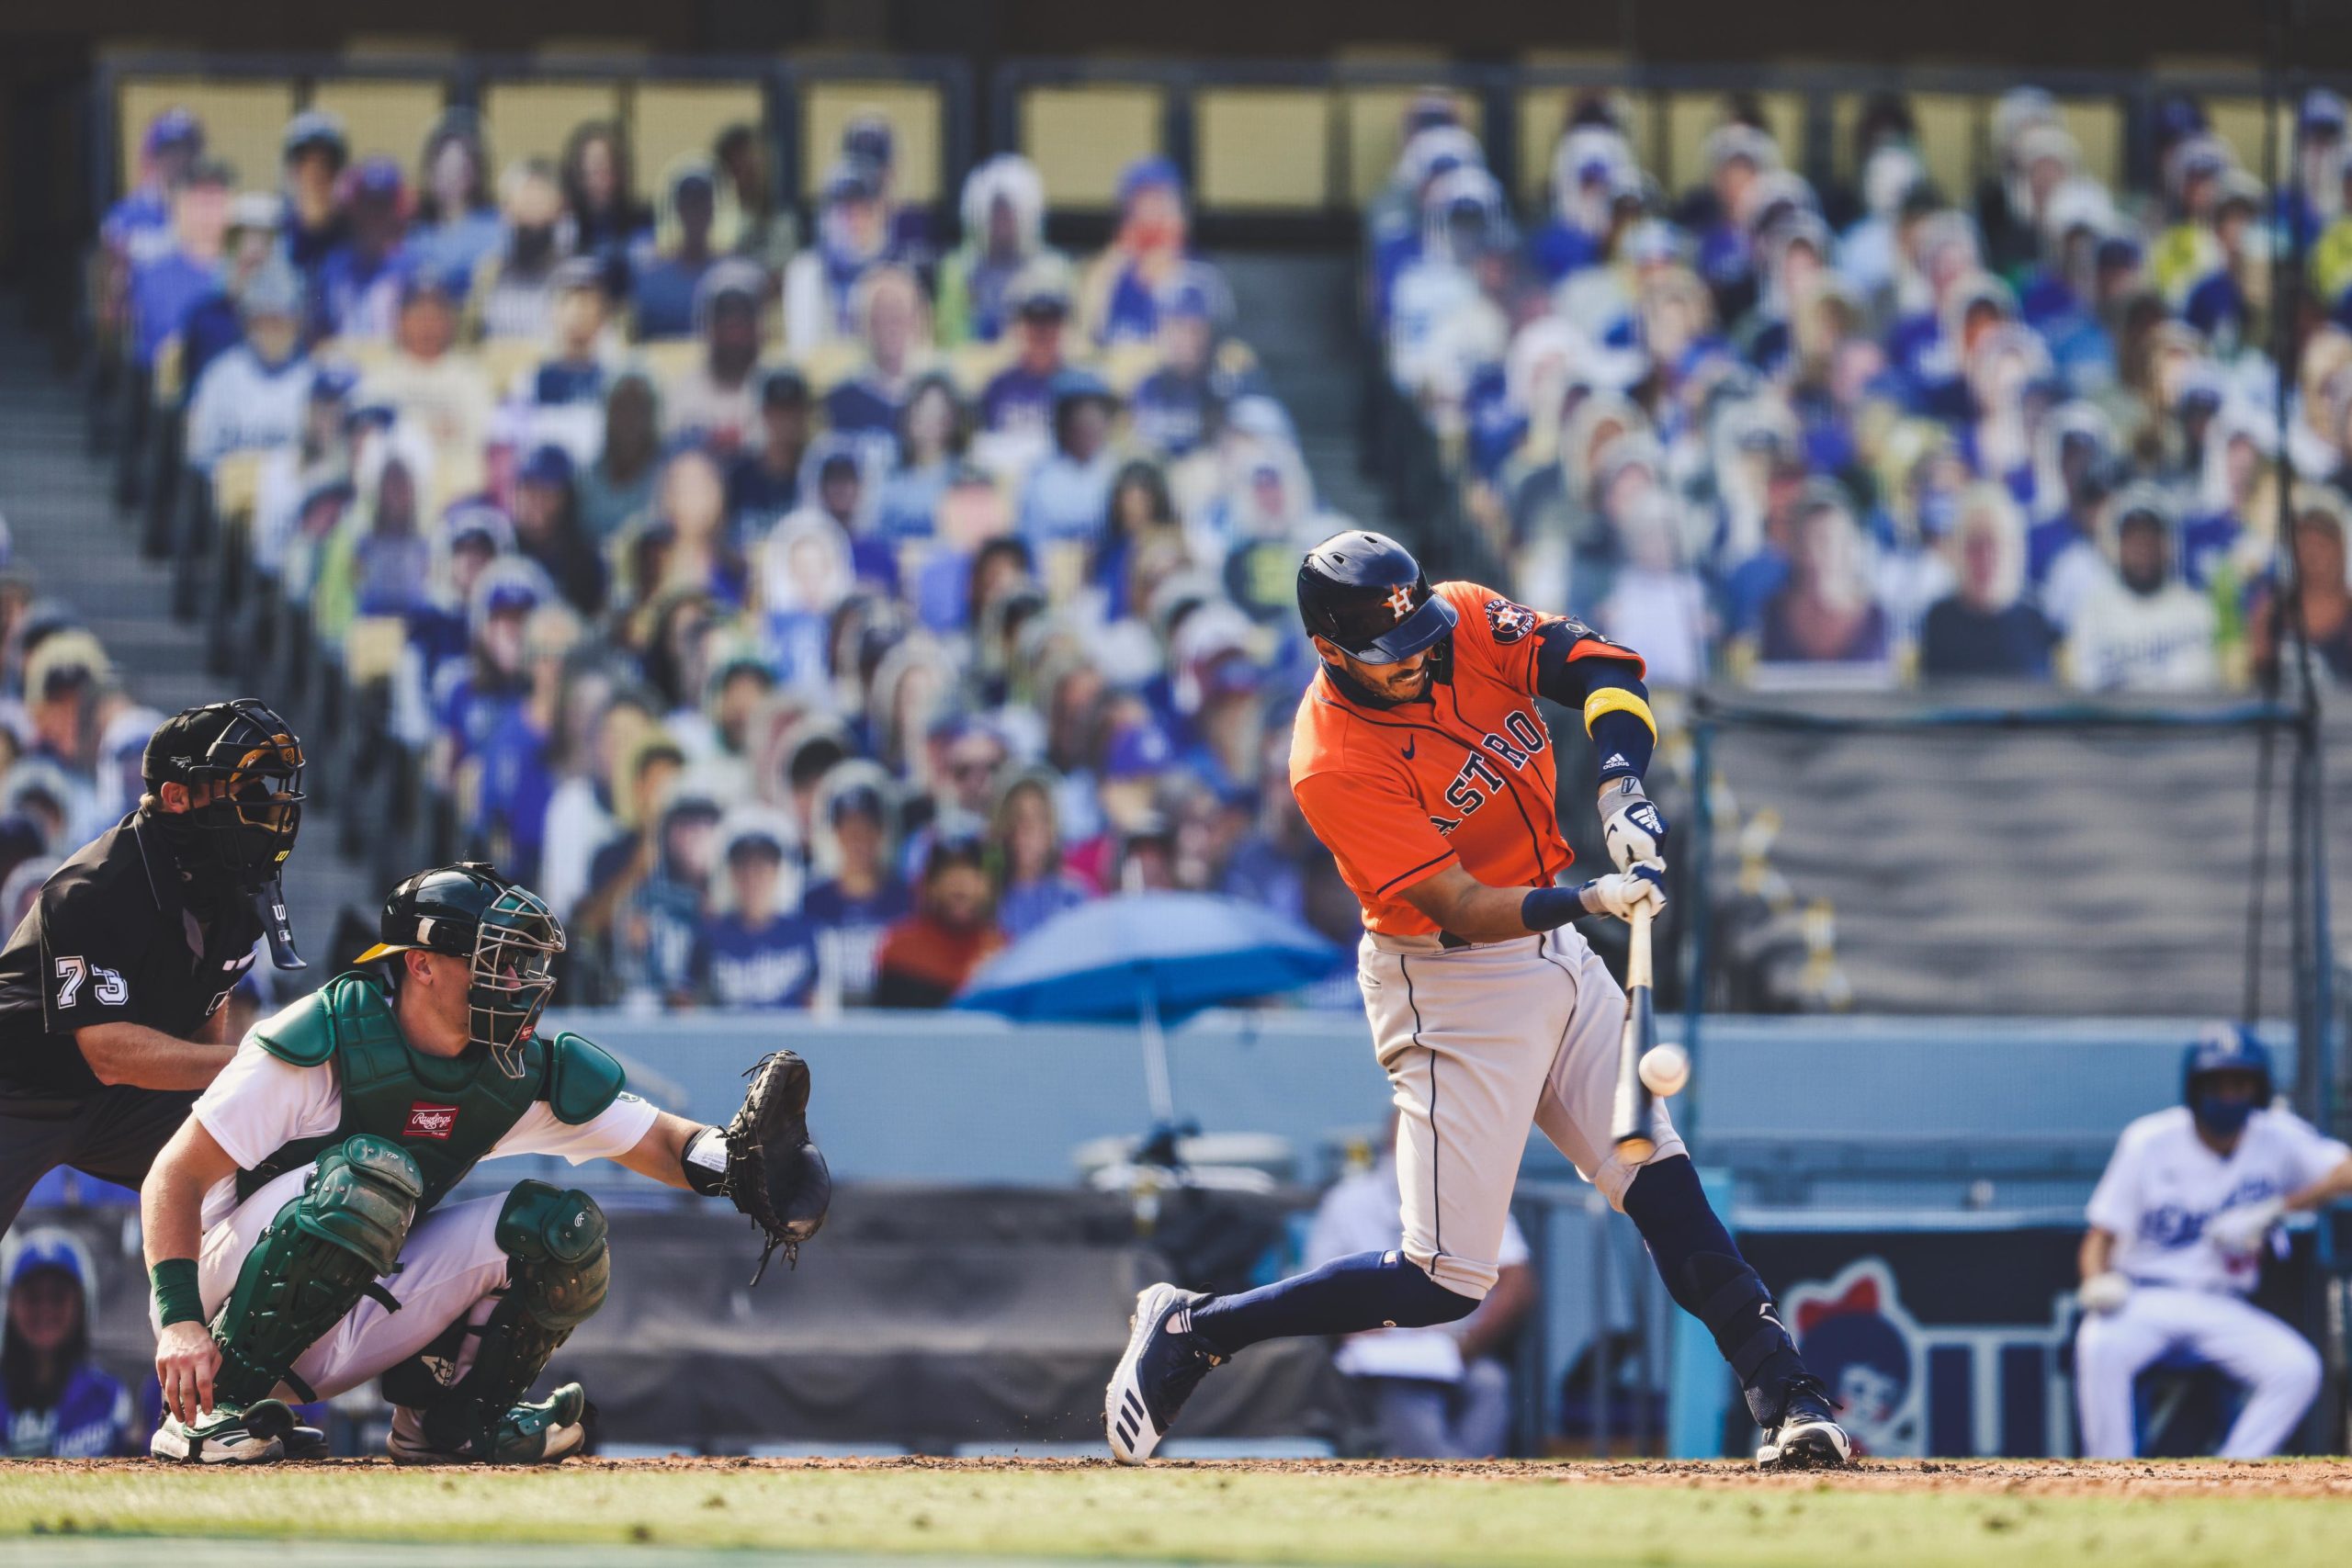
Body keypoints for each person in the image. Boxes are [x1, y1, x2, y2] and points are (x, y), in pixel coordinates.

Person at [1103, 531, 1850, 1471]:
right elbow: (1456, 901)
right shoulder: (1329, 758)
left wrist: (1620, 780)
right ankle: (1198, 1327)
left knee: (1657, 1177)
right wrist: (1586, 898)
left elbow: (1598, 667)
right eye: (1386, 650)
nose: (1415, 654)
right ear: (1329, 651)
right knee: (1444, 1279)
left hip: (1555, 947)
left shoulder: (1457, 616)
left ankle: (1789, 1398)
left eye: (1416, 630)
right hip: (1448, 980)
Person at [138, 862, 830, 1461]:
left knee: (563, 1231)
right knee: (369, 1183)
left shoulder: (509, 1070)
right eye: (499, 959)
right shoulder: (323, 1038)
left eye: (527, 961)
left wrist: (737, 1164)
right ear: (421, 963)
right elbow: (173, 1173)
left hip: (346, 1302)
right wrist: (177, 1323)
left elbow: (658, 1140)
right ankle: (202, 1418)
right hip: (216, 1302)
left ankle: (451, 1427)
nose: (521, 979)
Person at [0, 701, 308, 1237]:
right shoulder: (90, 888)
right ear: (177, 796)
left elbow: (200, 1030)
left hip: (120, 1104)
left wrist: (241, 1095)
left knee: (263, 1158)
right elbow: (109, 1052)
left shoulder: (235, 892)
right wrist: (253, 1063)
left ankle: (230, 1313)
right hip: (17, 1091)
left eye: (274, 788)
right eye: (250, 789)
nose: (271, 805)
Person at [2075, 1026, 2352, 1459]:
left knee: (2296, 1368)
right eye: (2217, 1084)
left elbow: (2346, 1171)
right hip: (2145, 1297)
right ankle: (2110, 1476)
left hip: (2222, 1303)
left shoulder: (2277, 1136)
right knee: (2098, 1343)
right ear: (2195, 1087)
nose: (2228, 1095)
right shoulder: (2149, 1140)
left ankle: (2231, 1476)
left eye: (2239, 1084)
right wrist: (2095, 1282)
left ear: (2258, 1090)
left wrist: (2279, 1207)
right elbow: (2099, 1237)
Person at [1306, 1117, 1533, 1458]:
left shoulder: (1475, 1198)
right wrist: (1357, 1328)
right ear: (1389, 1142)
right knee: (1407, 1391)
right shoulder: (1348, 1202)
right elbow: (1316, 1289)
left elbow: (1518, 1281)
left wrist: (1469, 1343)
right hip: (1380, 1353)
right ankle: (1458, 1488)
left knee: (1491, 1385)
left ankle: (1472, 1486)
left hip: (1457, 1349)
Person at [1, 1228, 134, 1457]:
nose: (45, 1310)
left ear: (82, 1305)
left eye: (58, 1296)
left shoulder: (109, 1398)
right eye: (32, 1296)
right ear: (10, 1305)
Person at [693, 827, 819, 1009]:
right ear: (732, 874)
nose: (752, 878)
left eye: (760, 868)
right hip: (729, 1035)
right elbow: (684, 1001)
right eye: (743, 868)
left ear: (776, 872)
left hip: (788, 1035)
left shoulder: (804, 932)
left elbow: (819, 1004)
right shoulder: (710, 934)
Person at [872, 836, 1003, 1008]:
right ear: (929, 886)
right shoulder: (901, 950)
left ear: (988, 887)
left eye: (972, 874)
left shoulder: (1004, 955)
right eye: (947, 874)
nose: (960, 886)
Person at [631, 159, 722, 341]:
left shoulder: (731, 276)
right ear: (678, 210)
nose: (696, 212)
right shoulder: (652, 282)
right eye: (689, 203)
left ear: (712, 208)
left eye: (702, 202)